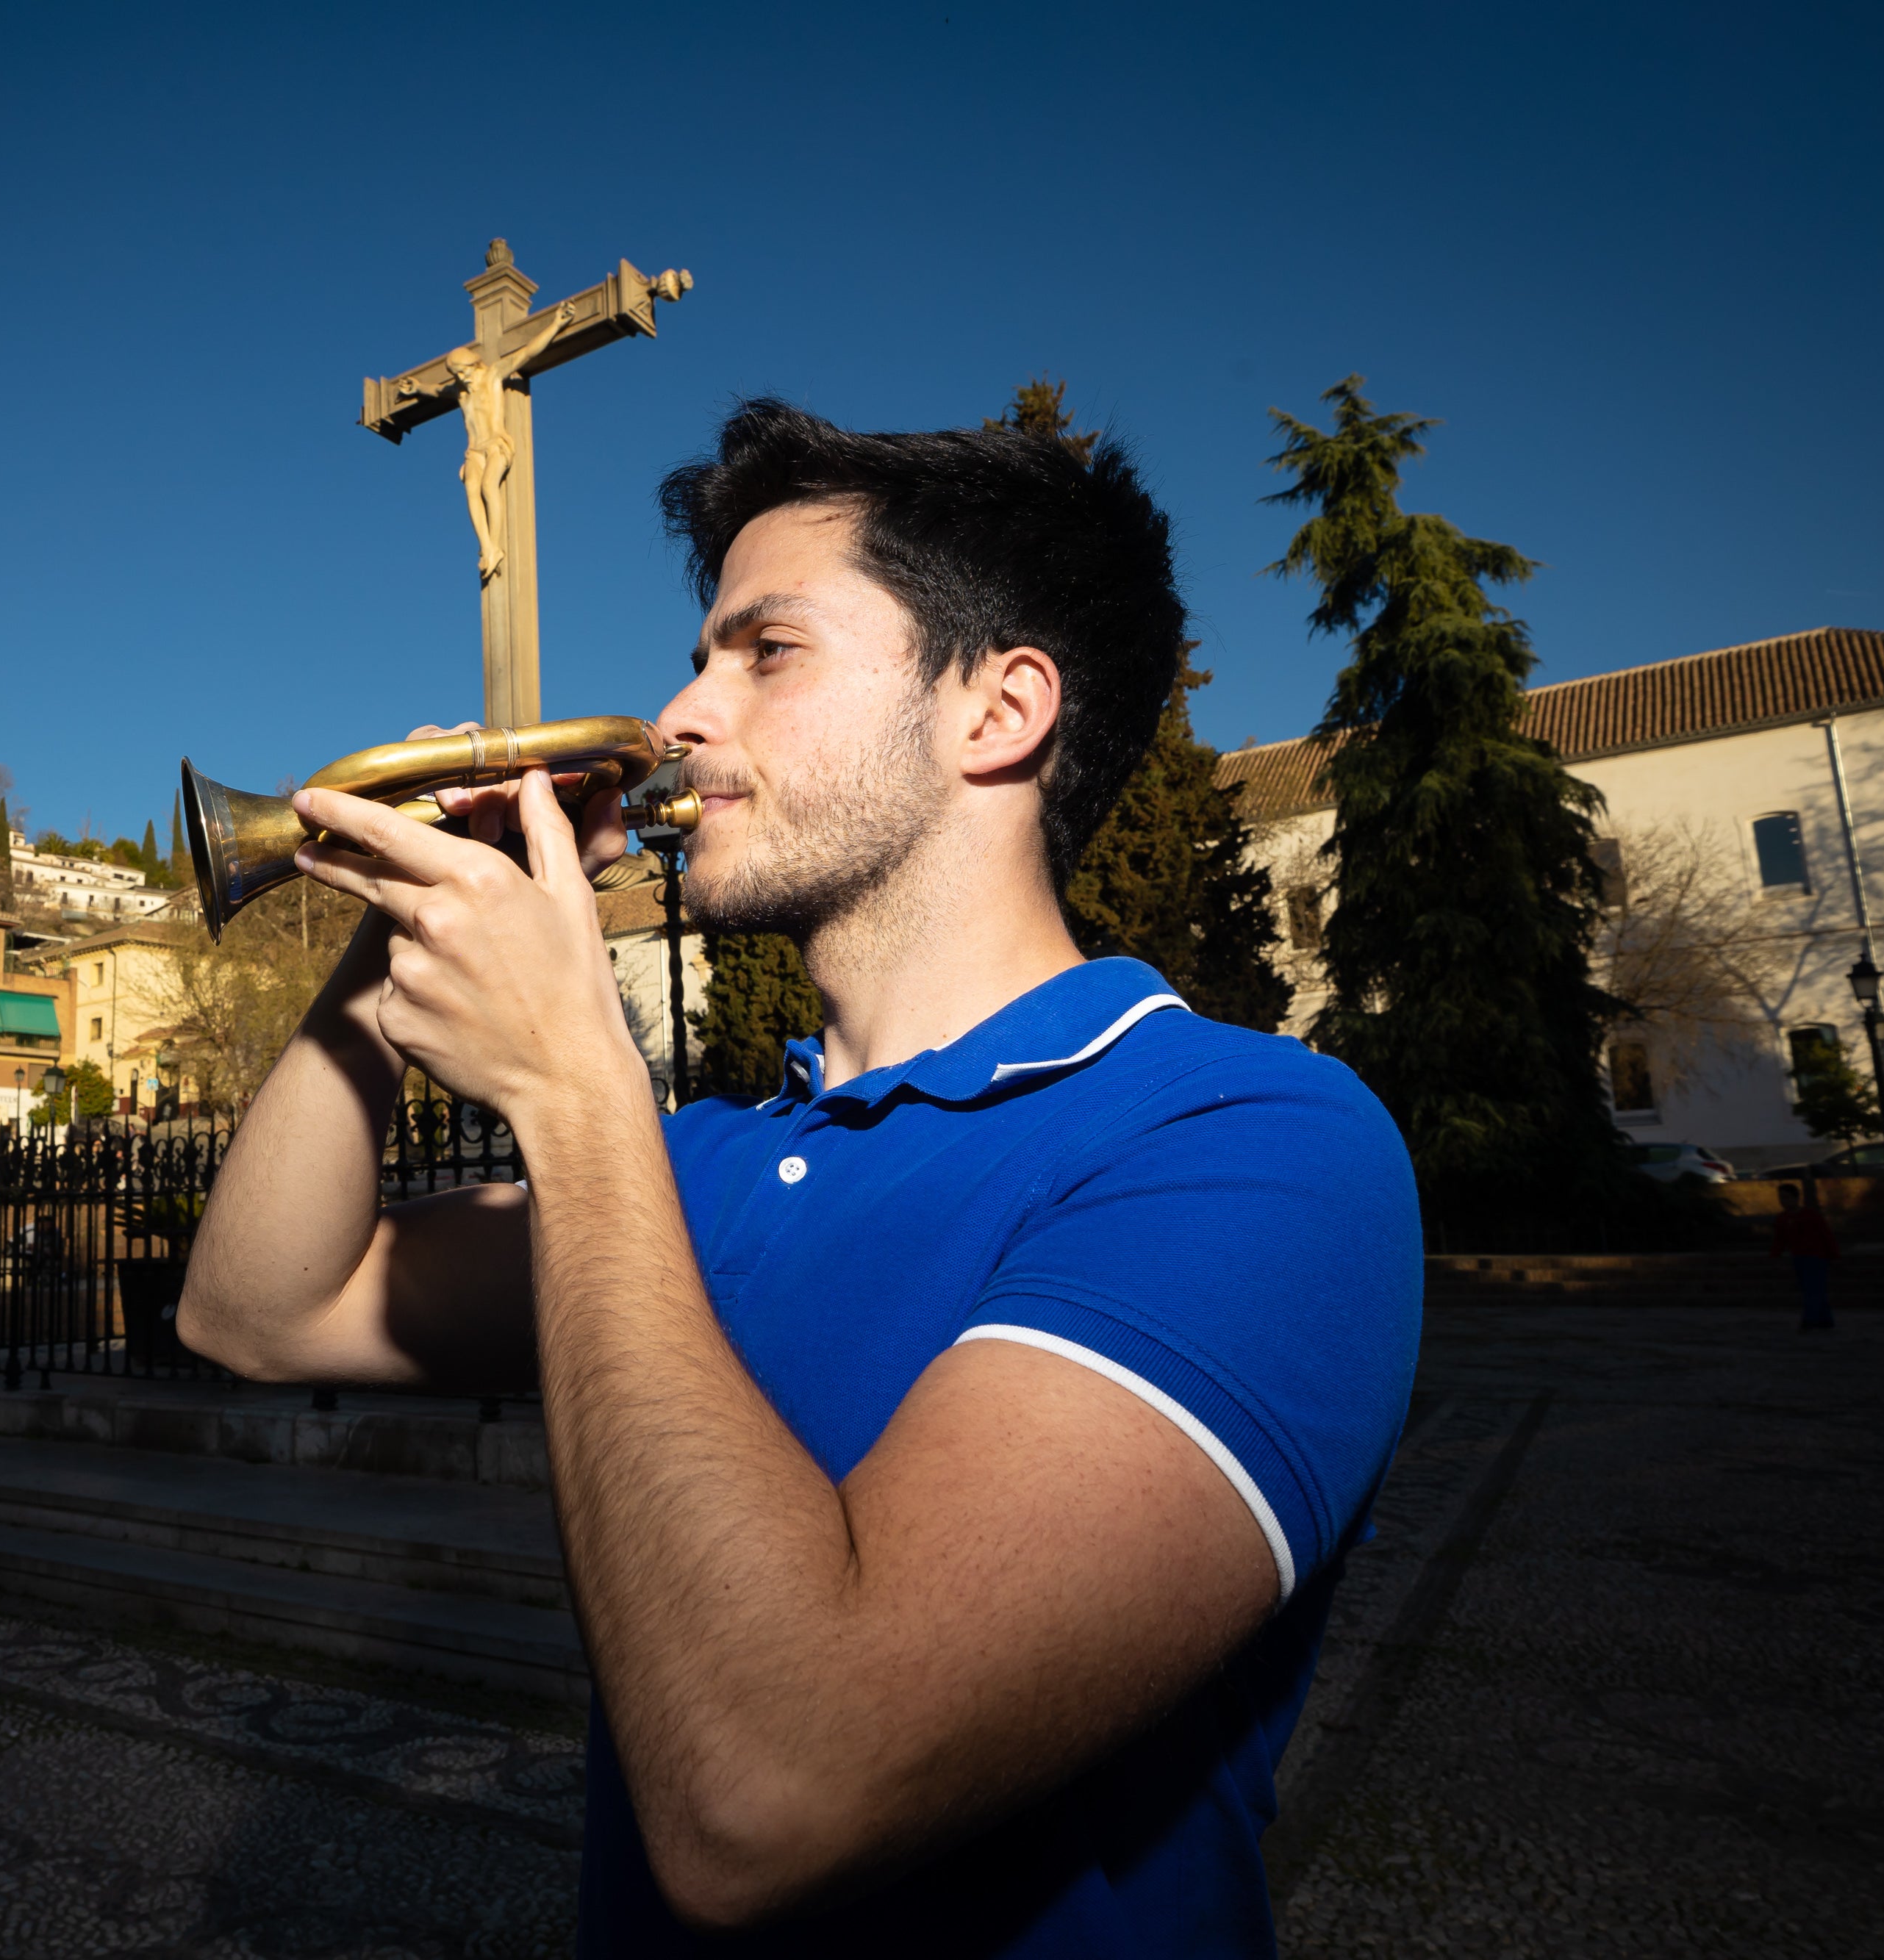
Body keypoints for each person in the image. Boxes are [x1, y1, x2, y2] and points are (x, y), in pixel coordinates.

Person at [178, 400, 1423, 1957]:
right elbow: (259, 1308)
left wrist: (573, 1093)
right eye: (699, 653)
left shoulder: (1252, 1139)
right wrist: (403, 922)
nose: (677, 712)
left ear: (996, 710)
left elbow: (769, 1792)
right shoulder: (686, 1167)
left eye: (764, 652)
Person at [1770, 1181, 1838, 1329]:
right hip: (1800, 1258)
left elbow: (1826, 1236)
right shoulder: (1783, 1219)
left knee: (1813, 1290)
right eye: (1781, 1198)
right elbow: (1779, 1240)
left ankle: (1811, 1320)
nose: (1784, 1201)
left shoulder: (1810, 1215)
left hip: (1817, 1257)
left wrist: (1833, 1256)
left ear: (1796, 1198)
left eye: (1787, 1197)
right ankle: (1825, 1320)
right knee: (1814, 1289)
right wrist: (1775, 1256)